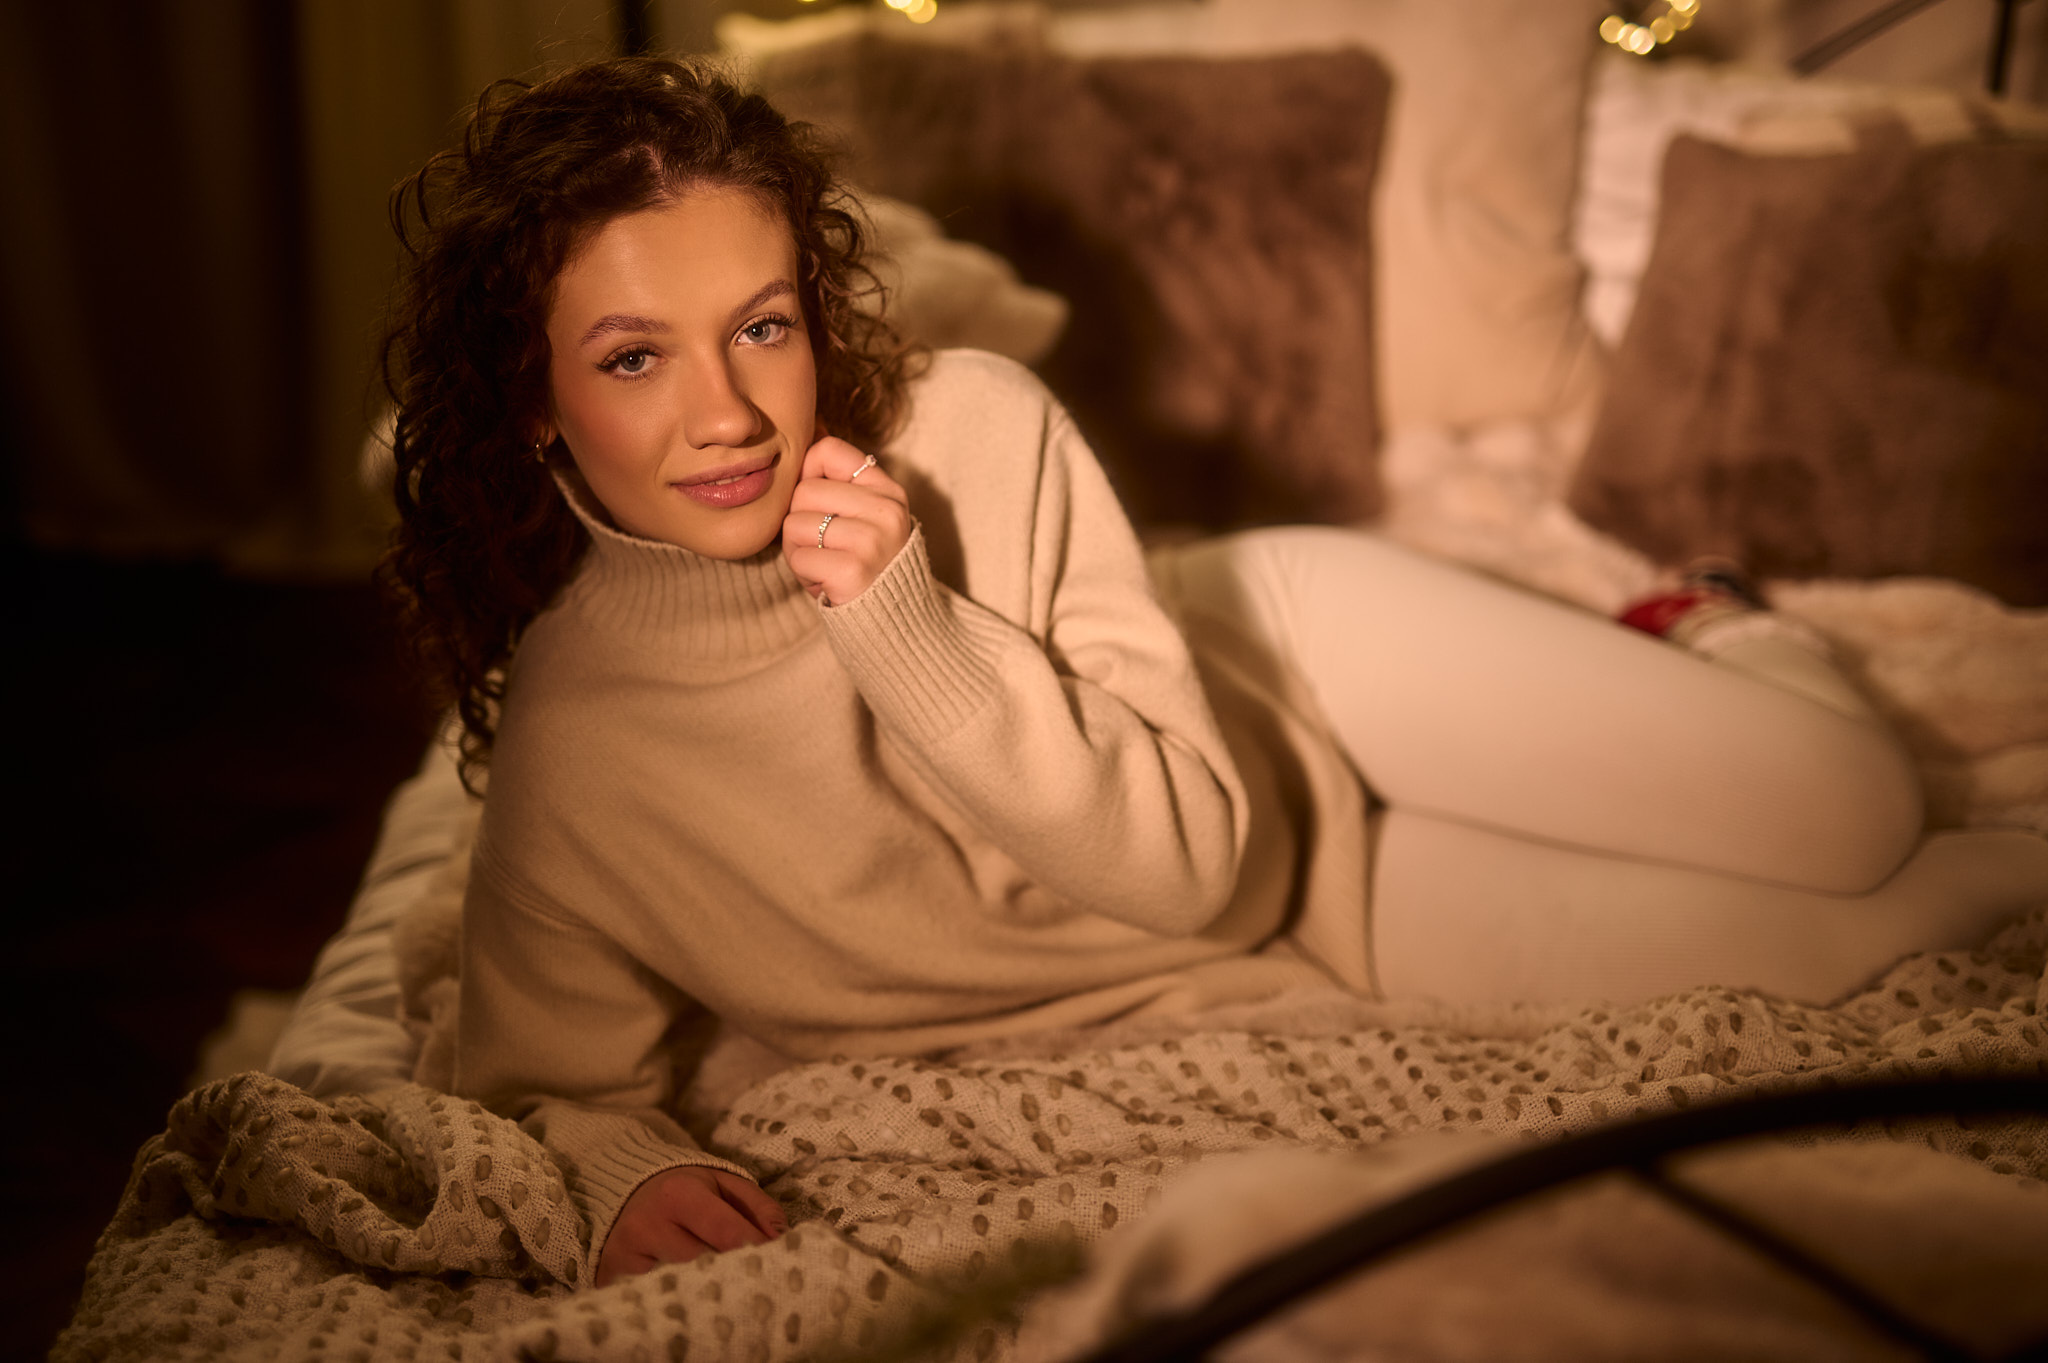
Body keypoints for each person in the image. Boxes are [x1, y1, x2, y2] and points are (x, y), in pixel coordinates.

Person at [376, 57, 2048, 1289]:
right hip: (1311, 917)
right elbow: (540, 1083)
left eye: (762, 326)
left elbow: (1187, 858)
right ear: (537, 407)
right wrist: (614, 1174)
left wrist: (902, 625)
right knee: (1879, 938)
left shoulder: (971, 430)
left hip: (1291, 672)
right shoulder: (580, 749)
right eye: (633, 358)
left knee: (1850, 803)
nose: (729, 414)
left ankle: (1710, 618)